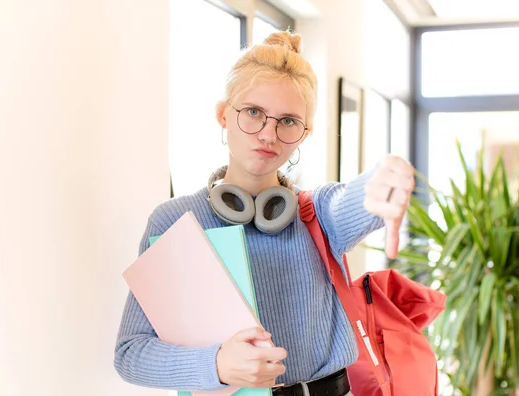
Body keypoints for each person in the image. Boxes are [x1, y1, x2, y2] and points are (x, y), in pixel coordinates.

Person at [114, 30, 414, 395]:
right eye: (254, 113)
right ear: (223, 115)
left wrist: (384, 179)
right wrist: (217, 364)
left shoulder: (318, 214)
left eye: (287, 121)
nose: (268, 134)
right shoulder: (175, 222)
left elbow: (354, 200)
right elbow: (131, 354)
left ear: (304, 133)